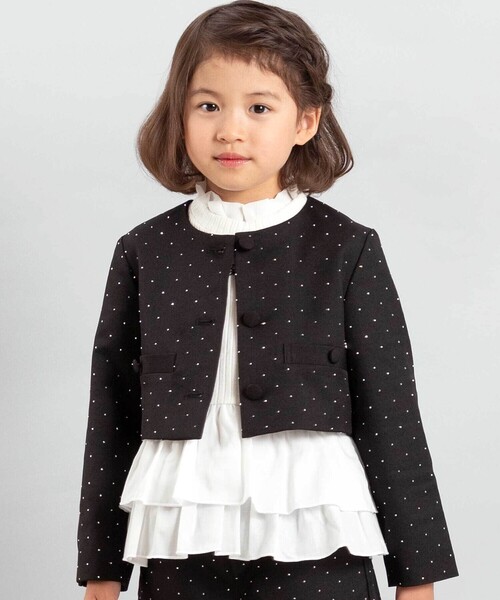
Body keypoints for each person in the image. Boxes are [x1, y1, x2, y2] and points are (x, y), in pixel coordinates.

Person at [76, 1, 459, 599]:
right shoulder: (143, 251)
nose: (230, 130)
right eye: (208, 106)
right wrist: (101, 568)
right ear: (179, 116)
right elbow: (112, 412)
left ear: (305, 121)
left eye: (259, 108)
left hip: (317, 540)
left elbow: (391, 413)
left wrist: (419, 574)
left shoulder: (346, 248)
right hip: (180, 540)